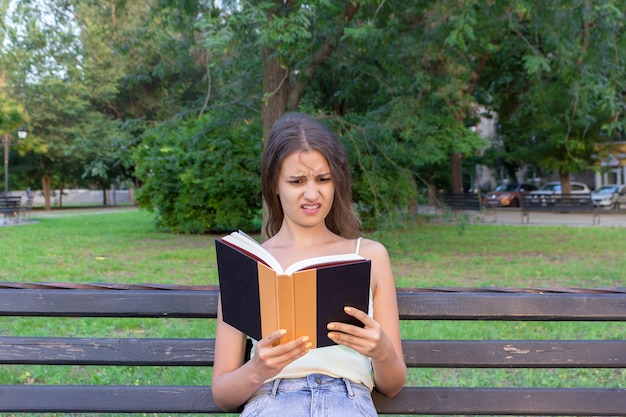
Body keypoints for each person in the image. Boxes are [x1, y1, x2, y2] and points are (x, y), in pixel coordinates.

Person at [212, 113, 406, 416]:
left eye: (323, 179)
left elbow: (393, 384)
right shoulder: (247, 264)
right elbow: (223, 394)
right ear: (274, 184)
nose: (312, 193)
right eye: (297, 181)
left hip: (349, 401)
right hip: (272, 400)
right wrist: (257, 369)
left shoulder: (369, 256)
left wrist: (382, 351)